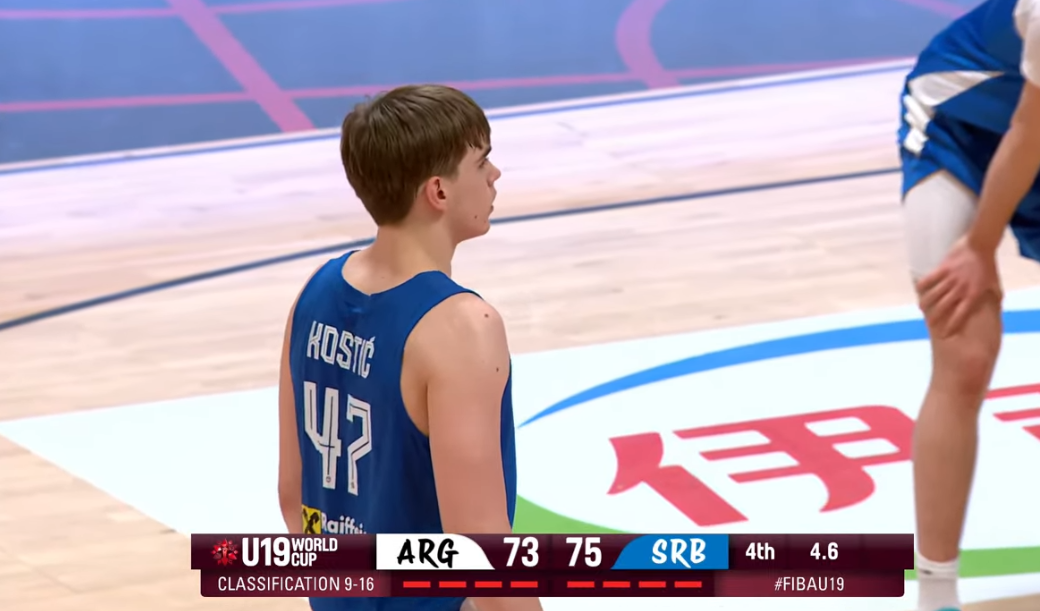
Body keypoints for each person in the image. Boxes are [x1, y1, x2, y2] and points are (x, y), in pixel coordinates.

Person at [275, 84, 543, 611]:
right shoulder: (461, 327)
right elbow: (480, 549)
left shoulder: (314, 292)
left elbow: (293, 495)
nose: (495, 174)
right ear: (438, 191)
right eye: (481, 161)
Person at [898, 0, 1040, 610]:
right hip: (959, 126)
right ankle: (937, 594)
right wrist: (979, 246)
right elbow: (1028, 130)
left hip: (1033, 131)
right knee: (966, 354)